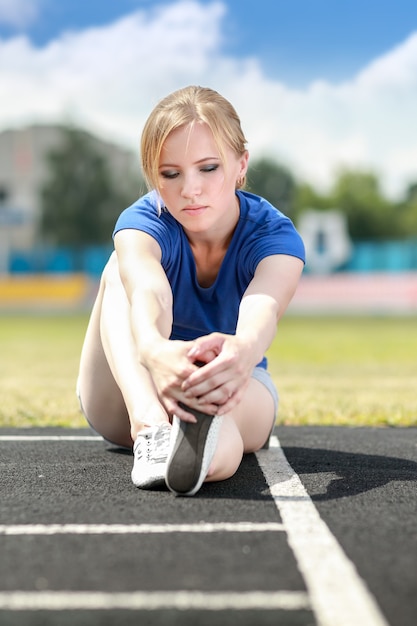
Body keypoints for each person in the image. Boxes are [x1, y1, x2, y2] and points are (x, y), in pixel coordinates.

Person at [77, 85, 305, 497]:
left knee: (224, 415)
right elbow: (149, 292)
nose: (190, 189)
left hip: (236, 377)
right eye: (170, 173)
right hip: (130, 385)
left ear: (241, 164)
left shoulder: (275, 236)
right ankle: (150, 428)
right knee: (117, 267)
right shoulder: (142, 222)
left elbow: (262, 310)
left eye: (209, 168)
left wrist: (241, 355)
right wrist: (153, 350)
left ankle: (198, 449)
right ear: (153, 176)